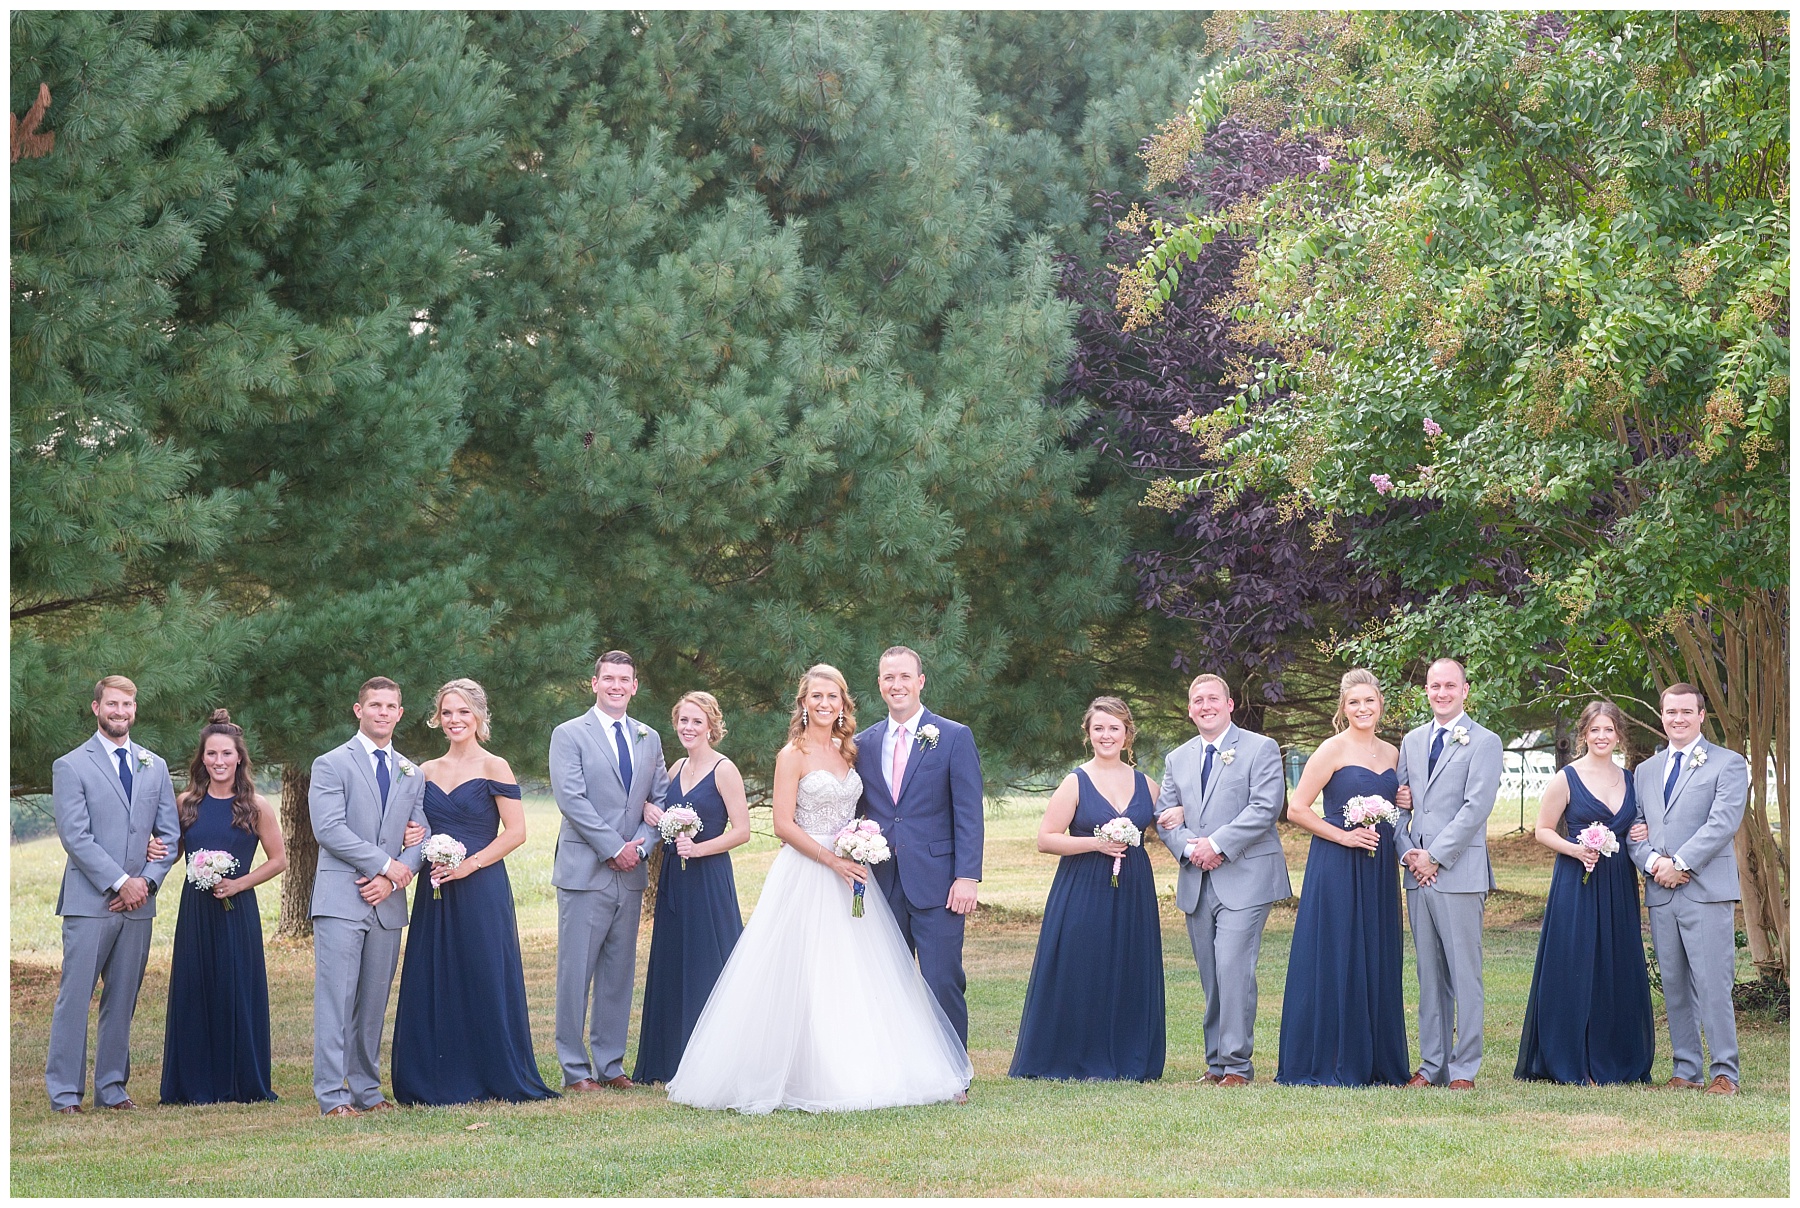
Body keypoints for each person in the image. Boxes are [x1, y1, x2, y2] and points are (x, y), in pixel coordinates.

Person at [666, 665, 971, 1113]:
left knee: (856, 974)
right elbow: (783, 824)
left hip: (852, 872)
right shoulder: (792, 754)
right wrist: (832, 859)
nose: (825, 704)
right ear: (804, 704)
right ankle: (796, 1073)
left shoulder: (850, 751)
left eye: (833, 697)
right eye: (816, 697)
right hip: (809, 871)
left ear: (843, 704)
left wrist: (858, 844)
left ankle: (864, 1065)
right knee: (801, 972)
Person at [391, 679, 557, 1105]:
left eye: (463, 711)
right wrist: (414, 832)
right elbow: (413, 827)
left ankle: (493, 1072)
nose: (454, 720)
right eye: (447, 712)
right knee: (437, 973)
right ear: (437, 719)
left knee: (483, 971)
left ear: (479, 716)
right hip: (436, 887)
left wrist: (469, 865)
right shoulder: (424, 771)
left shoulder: (494, 766)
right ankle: (435, 1076)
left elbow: (517, 832)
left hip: (481, 884)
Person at [1010, 697, 1165, 1081]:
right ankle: (1072, 1056)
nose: (1106, 735)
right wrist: (1095, 844)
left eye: (1114, 728)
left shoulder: (1147, 784)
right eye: (1099, 728)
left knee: (1130, 964)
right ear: (1088, 735)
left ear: (1128, 734)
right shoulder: (1075, 781)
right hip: (1083, 886)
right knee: (1083, 966)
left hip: (1134, 888)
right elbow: (1046, 839)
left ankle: (1129, 1056)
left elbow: (1170, 824)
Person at [45, 675, 181, 1113]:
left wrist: (148, 881)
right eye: (112, 704)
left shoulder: (153, 765)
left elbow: (170, 837)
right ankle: (65, 1094)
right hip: (91, 902)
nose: (119, 712)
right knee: (76, 997)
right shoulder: (71, 765)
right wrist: (123, 882)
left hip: (140, 904)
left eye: (127, 705)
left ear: (135, 710)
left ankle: (113, 1089)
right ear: (96, 708)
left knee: (122, 998)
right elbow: (75, 836)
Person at [1275, 669, 1410, 1087]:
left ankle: (1376, 1059)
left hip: (1378, 866)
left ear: (1380, 705)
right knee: (1336, 950)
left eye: (1369, 701)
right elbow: (1297, 808)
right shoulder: (1330, 750)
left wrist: (1403, 799)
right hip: (1336, 864)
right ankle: (1329, 1057)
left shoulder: (1393, 753)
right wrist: (1344, 838)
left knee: (1376, 950)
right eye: (1354, 703)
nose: (1362, 709)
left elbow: (1399, 805)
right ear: (1343, 708)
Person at [1155, 674, 1290, 1086]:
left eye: (1213, 698)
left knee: (1233, 966)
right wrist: (1188, 848)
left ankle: (1237, 1065)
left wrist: (1215, 843)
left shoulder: (1259, 748)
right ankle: (1215, 1063)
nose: (1205, 705)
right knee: (1211, 973)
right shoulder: (1177, 758)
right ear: (1190, 708)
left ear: (1230, 705)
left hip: (1246, 876)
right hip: (1197, 878)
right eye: (1197, 700)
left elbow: (1265, 807)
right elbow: (1164, 814)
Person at [1515, 700, 1653, 1085]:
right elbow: (1543, 830)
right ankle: (1571, 1058)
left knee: (1614, 966)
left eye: (1609, 730)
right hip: (1576, 882)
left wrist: (1640, 832)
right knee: (1575, 966)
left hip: (1618, 886)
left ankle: (1615, 1058)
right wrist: (1576, 849)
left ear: (1619, 735)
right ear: (1584, 735)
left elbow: (1638, 824)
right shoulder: (1567, 777)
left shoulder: (1630, 779)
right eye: (1595, 730)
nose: (1602, 736)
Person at [309, 676, 429, 1116]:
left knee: (374, 1002)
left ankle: (367, 1091)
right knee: (336, 1000)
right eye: (374, 705)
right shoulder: (331, 764)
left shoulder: (411, 772)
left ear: (400, 713)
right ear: (358, 710)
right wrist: (383, 865)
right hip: (342, 899)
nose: (382, 712)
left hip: (387, 904)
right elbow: (329, 829)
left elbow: (422, 834)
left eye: (390, 706)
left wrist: (397, 876)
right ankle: (332, 1095)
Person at [852, 646, 984, 1048]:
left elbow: (968, 813)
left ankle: (955, 1070)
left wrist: (967, 877)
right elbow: (859, 810)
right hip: (883, 881)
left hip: (939, 883)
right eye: (889, 678)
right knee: (884, 980)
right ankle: (894, 1069)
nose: (897, 685)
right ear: (879, 684)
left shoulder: (954, 737)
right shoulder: (864, 743)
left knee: (943, 979)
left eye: (905, 676)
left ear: (920, 681)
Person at [548, 651, 668, 1091]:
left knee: (618, 972)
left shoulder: (648, 736)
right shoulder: (569, 734)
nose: (617, 686)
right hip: (585, 869)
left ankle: (611, 1065)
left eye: (625, 679)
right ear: (594, 683)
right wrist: (612, 847)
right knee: (575, 972)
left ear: (635, 686)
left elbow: (659, 800)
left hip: (631, 869)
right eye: (609, 678)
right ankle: (575, 1069)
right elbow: (571, 799)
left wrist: (640, 847)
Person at [159, 709, 287, 1104]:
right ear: (202, 760)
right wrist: (155, 847)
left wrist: (240, 884)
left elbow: (279, 859)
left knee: (236, 989)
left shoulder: (256, 806)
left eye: (226, 754)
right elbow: (171, 851)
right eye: (211, 754)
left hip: (238, 909)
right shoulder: (186, 803)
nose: (218, 762)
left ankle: (242, 1081)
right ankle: (193, 1083)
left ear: (239, 759)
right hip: (196, 910)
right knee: (195, 988)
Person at [1626, 683, 1748, 1095]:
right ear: (1662, 716)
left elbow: (1722, 823)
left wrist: (1679, 863)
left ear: (1700, 716)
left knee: (1713, 982)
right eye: (1670, 711)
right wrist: (1653, 862)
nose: (1677, 718)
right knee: (1675, 983)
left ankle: (1724, 1072)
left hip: (1705, 890)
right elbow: (1635, 829)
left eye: (1685, 711)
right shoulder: (1645, 771)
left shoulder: (1728, 763)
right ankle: (1686, 1068)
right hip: (1661, 892)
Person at [1392, 657, 1503, 1090]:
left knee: (1464, 971)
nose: (1442, 693)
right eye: (1435, 686)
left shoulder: (1485, 741)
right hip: (1416, 873)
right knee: (1428, 972)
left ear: (1465, 690)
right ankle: (1431, 1064)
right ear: (1426, 689)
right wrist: (1409, 855)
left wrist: (1435, 856)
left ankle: (1464, 1068)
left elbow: (1477, 807)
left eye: (1450, 686)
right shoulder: (1412, 740)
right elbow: (1401, 806)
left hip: (1458, 871)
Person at [632, 691, 750, 1085]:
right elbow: (661, 811)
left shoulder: (724, 770)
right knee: (674, 961)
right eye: (683, 720)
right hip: (674, 878)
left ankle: (717, 1062)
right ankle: (670, 1060)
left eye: (697, 721)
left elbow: (742, 831)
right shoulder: (677, 766)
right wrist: (654, 812)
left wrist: (700, 850)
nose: (688, 727)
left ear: (712, 726)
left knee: (707, 962)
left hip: (709, 877)